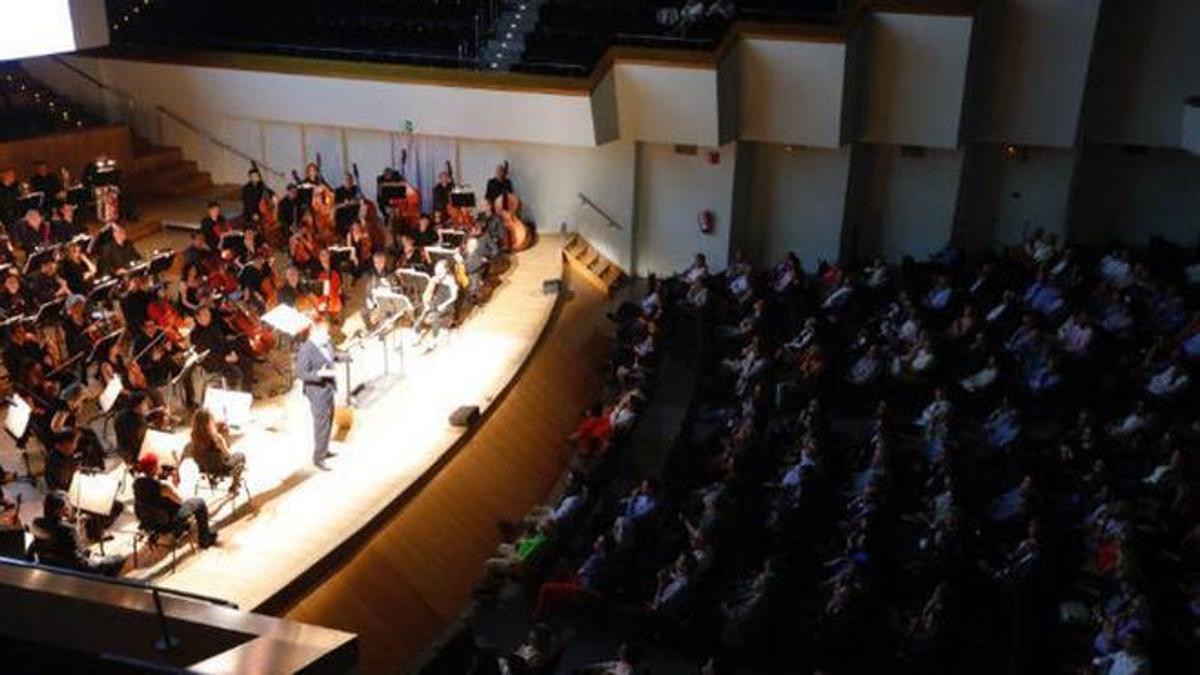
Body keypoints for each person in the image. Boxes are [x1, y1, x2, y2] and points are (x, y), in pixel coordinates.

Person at [30, 491, 124, 576]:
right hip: (70, 569)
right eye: (66, 507)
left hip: (48, 564)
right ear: (59, 510)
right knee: (118, 559)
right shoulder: (67, 529)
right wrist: (92, 558)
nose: (68, 509)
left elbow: (34, 546)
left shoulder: (37, 523)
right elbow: (78, 560)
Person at [134, 453, 217, 548]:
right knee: (199, 502)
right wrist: (172, 485)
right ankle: (204, 539)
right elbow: (181, 501)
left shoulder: (137, 483)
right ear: (154, 468)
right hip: (167, 522)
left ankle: (181, 530)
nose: (160, 466)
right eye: (158, 464)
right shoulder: (163, 486)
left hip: (148, 522)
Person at [296, 313, 338, 470]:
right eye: (324, 332)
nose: (327, 334)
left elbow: (331, 358)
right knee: (321, 423)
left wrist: (342, 357)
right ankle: (318, 457)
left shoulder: (326, 343)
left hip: (329, 388)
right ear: (315, 332)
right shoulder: (306, 349)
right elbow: (301, 373)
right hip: (316, 391)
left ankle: (325, 449)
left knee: (329, 420)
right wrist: (319, 375)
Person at [183, 408, 246, 493]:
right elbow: (228, 455)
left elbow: (185, 457)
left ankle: (231, 483)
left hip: (202, 469)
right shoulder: (216, 438)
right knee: (240, 455)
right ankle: (235, 484)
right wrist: (225, 441)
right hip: (221, 469)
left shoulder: (192, 441)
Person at [415, 259, 458, 351]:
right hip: (436, 302)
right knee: (421, 311)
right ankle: (417, 333)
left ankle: (433, 340)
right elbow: (426, 295)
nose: (437, 272)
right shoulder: (435, 279)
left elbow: (454, 297)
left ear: (446, 270)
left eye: (440, 270)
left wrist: (444, 305)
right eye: (436, 270)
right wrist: (426, 302)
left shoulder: (451, 280)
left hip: (447, 305)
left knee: (435, 317)